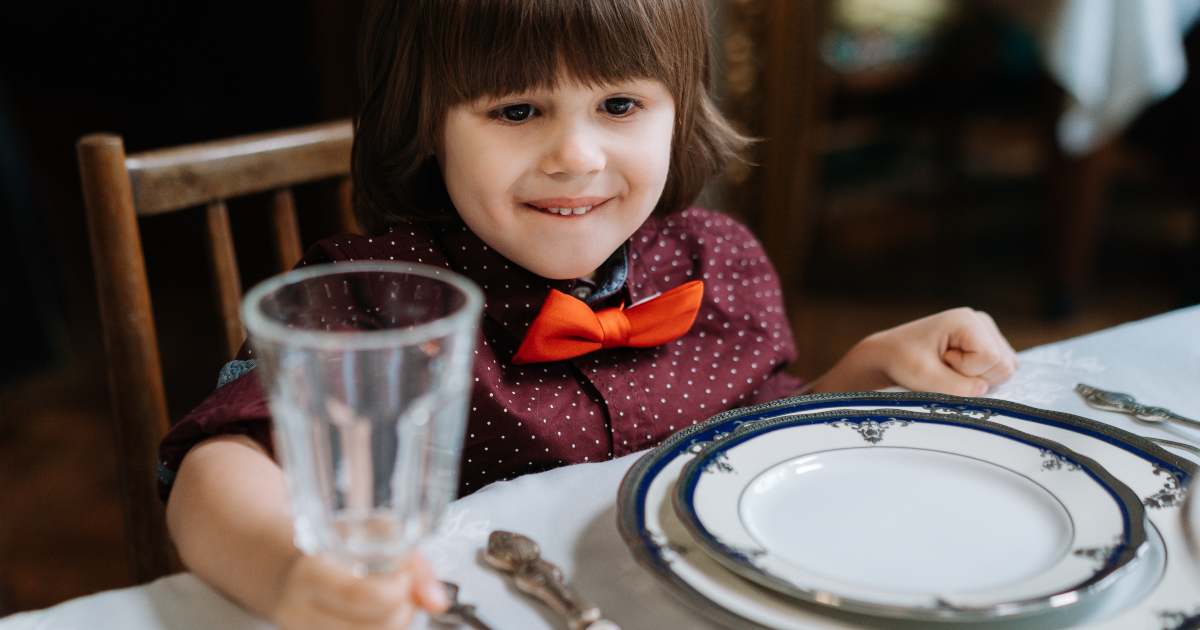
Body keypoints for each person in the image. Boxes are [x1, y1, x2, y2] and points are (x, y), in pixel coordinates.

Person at [161, 1, 1019, 628]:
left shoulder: (718, 262)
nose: (576, 156)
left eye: (618, 106)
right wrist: (288, 574)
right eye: (517, 110)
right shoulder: (371, 299)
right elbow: (218, 467)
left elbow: (748, 448)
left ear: (678, 111)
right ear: (429, 124)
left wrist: (863, 374)